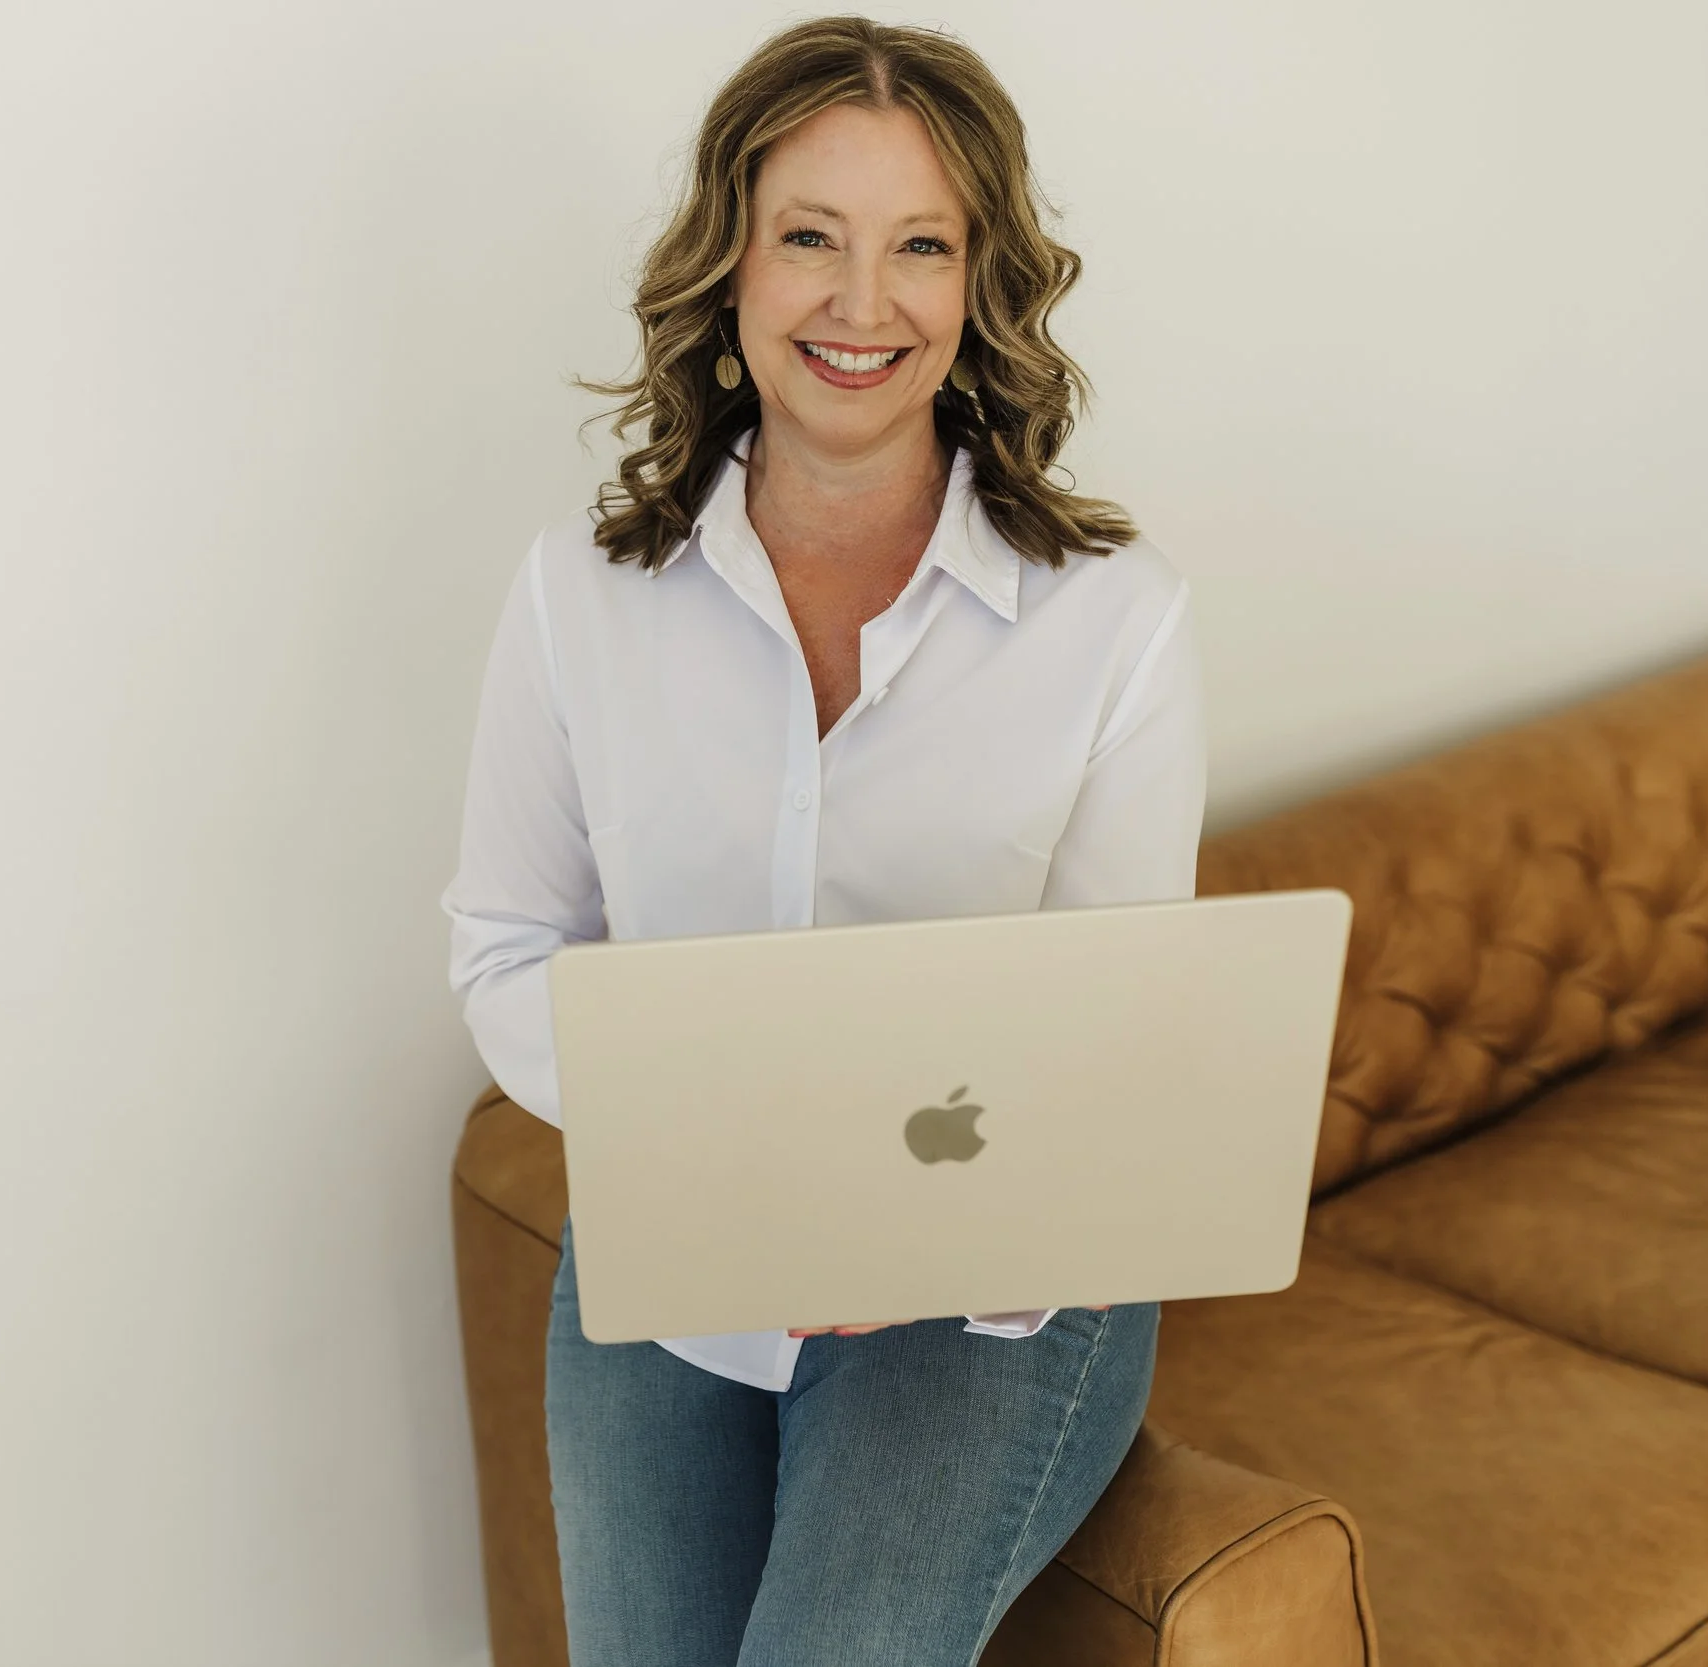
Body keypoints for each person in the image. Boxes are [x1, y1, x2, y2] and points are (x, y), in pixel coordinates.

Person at [441, 16, 1207, 1663]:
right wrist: (724, 1132)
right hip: (674, 1232)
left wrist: (913, 1223)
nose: (863, 306)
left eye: (919, 246)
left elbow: (1123, 1045)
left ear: (978, 282)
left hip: (1001, 1284)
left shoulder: (1116, 625)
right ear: (730, 265)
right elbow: (506, 949)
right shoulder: (583, 597)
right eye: (811, 238)